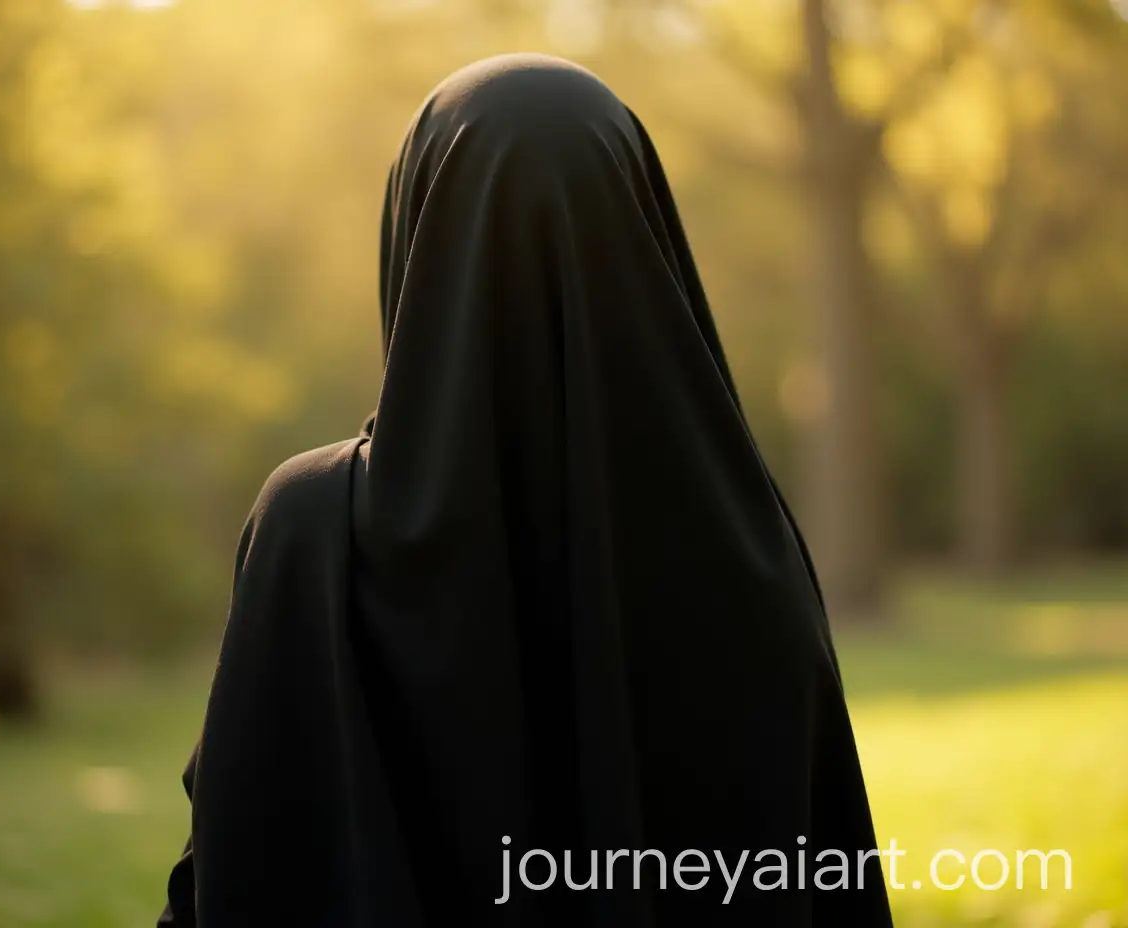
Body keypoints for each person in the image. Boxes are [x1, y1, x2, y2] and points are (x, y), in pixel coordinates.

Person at [157, 52, 894, 927]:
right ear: (644, 238)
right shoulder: (752, 553)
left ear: (415, 239)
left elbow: (239, 867)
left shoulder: (312, 530)